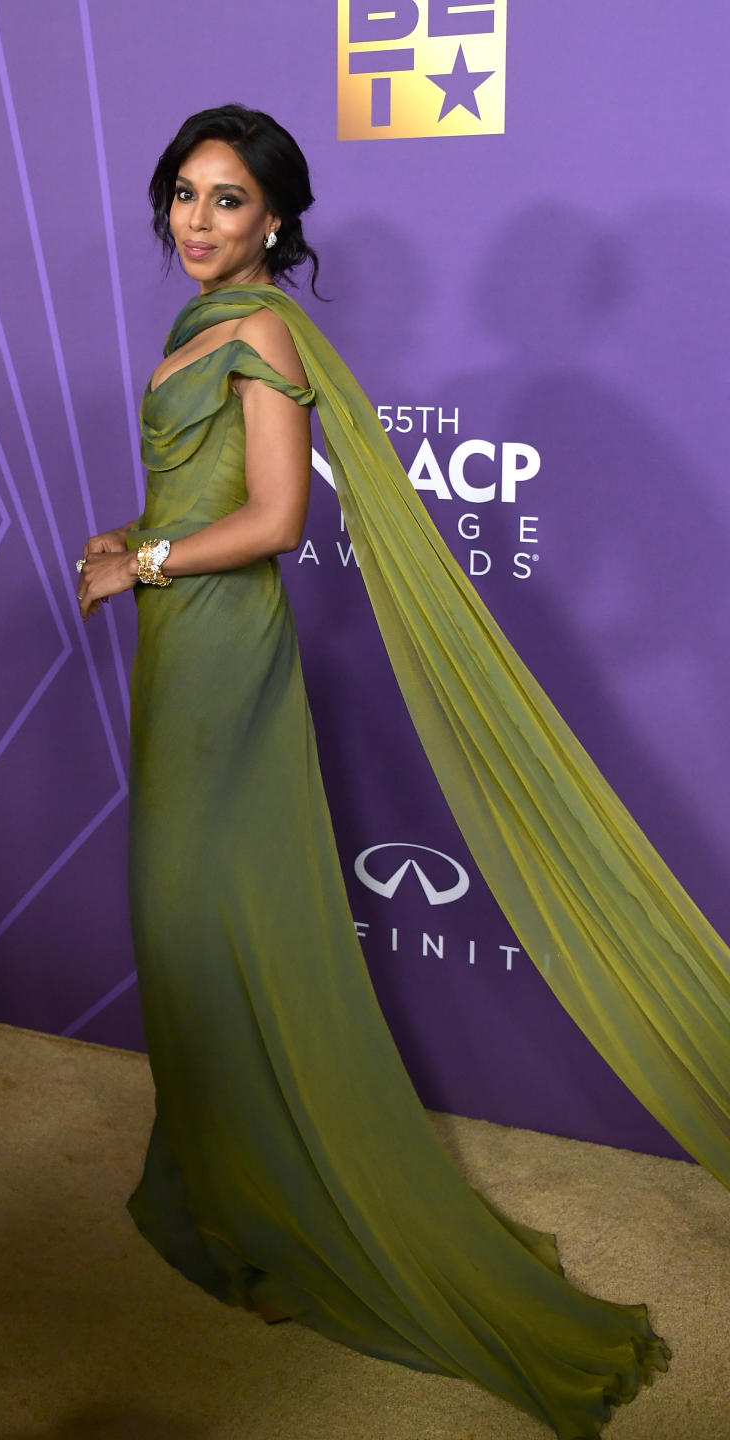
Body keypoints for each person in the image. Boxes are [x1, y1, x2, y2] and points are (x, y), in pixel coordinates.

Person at [75, 104, 730, 1437]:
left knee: (207, 924)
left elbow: (273, 519)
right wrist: (138, 537)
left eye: (229, 202)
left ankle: (281, 1230)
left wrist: (141, 563)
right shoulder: (207, 326)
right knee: (193, 930)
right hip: (181, 647)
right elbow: (205, 496)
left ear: (277, 222)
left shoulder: (259, 332)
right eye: (185, 198)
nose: (199, 224)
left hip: (219, 653)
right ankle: (233, 1199)